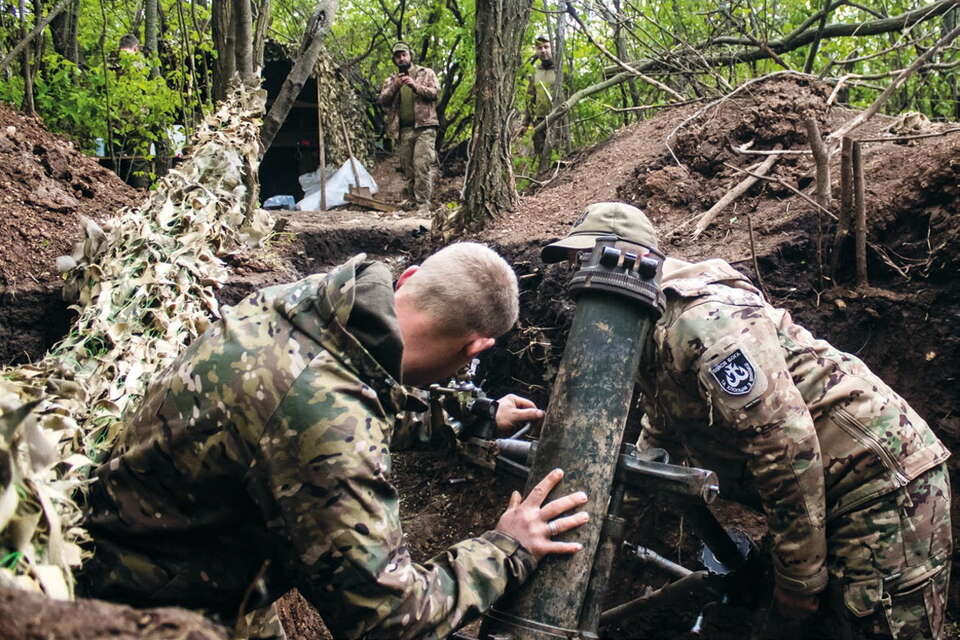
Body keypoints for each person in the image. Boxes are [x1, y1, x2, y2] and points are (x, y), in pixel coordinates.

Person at [80, 243, 590, 639]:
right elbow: (390, 617)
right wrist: (508, 548)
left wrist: (474, 415)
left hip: (158, 545)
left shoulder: (314, 305)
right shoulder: (327, 421)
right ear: (476, 347)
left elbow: (361, 397)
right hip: (147, 608)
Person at [540, 202, 952, 640]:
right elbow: (661, 421)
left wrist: (799, 579)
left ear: (628, 260)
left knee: (867, 626)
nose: (575, 273)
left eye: (583, 258)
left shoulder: (705, 322)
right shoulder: (644, 326)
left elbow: (784, 446)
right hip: (821, 495)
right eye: (572, 262)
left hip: (880, 486)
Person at [378, 41, 439, 213]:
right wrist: (396, 85)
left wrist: (414, 85)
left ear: (410, 55)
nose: (401, 58)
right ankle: (413, 201)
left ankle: (423, 204)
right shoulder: (391, 80)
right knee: (408, 168)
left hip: (425, 127)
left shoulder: (425, 73)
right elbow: (383, 100)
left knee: (422, 165)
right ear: (394, 60)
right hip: (403, 130)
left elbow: (434, 93)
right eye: (398, 56)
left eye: (404, 54)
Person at [524, 35, 557, 166]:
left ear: (552, 47)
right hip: (539, 121)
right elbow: (530, 98)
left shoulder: (560, 68)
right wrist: (525, 123)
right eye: (539, 48)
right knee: (542, 157)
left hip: (558, 118)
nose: (543, 51)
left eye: (546, 47)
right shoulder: (534, 72)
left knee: (561, 155)